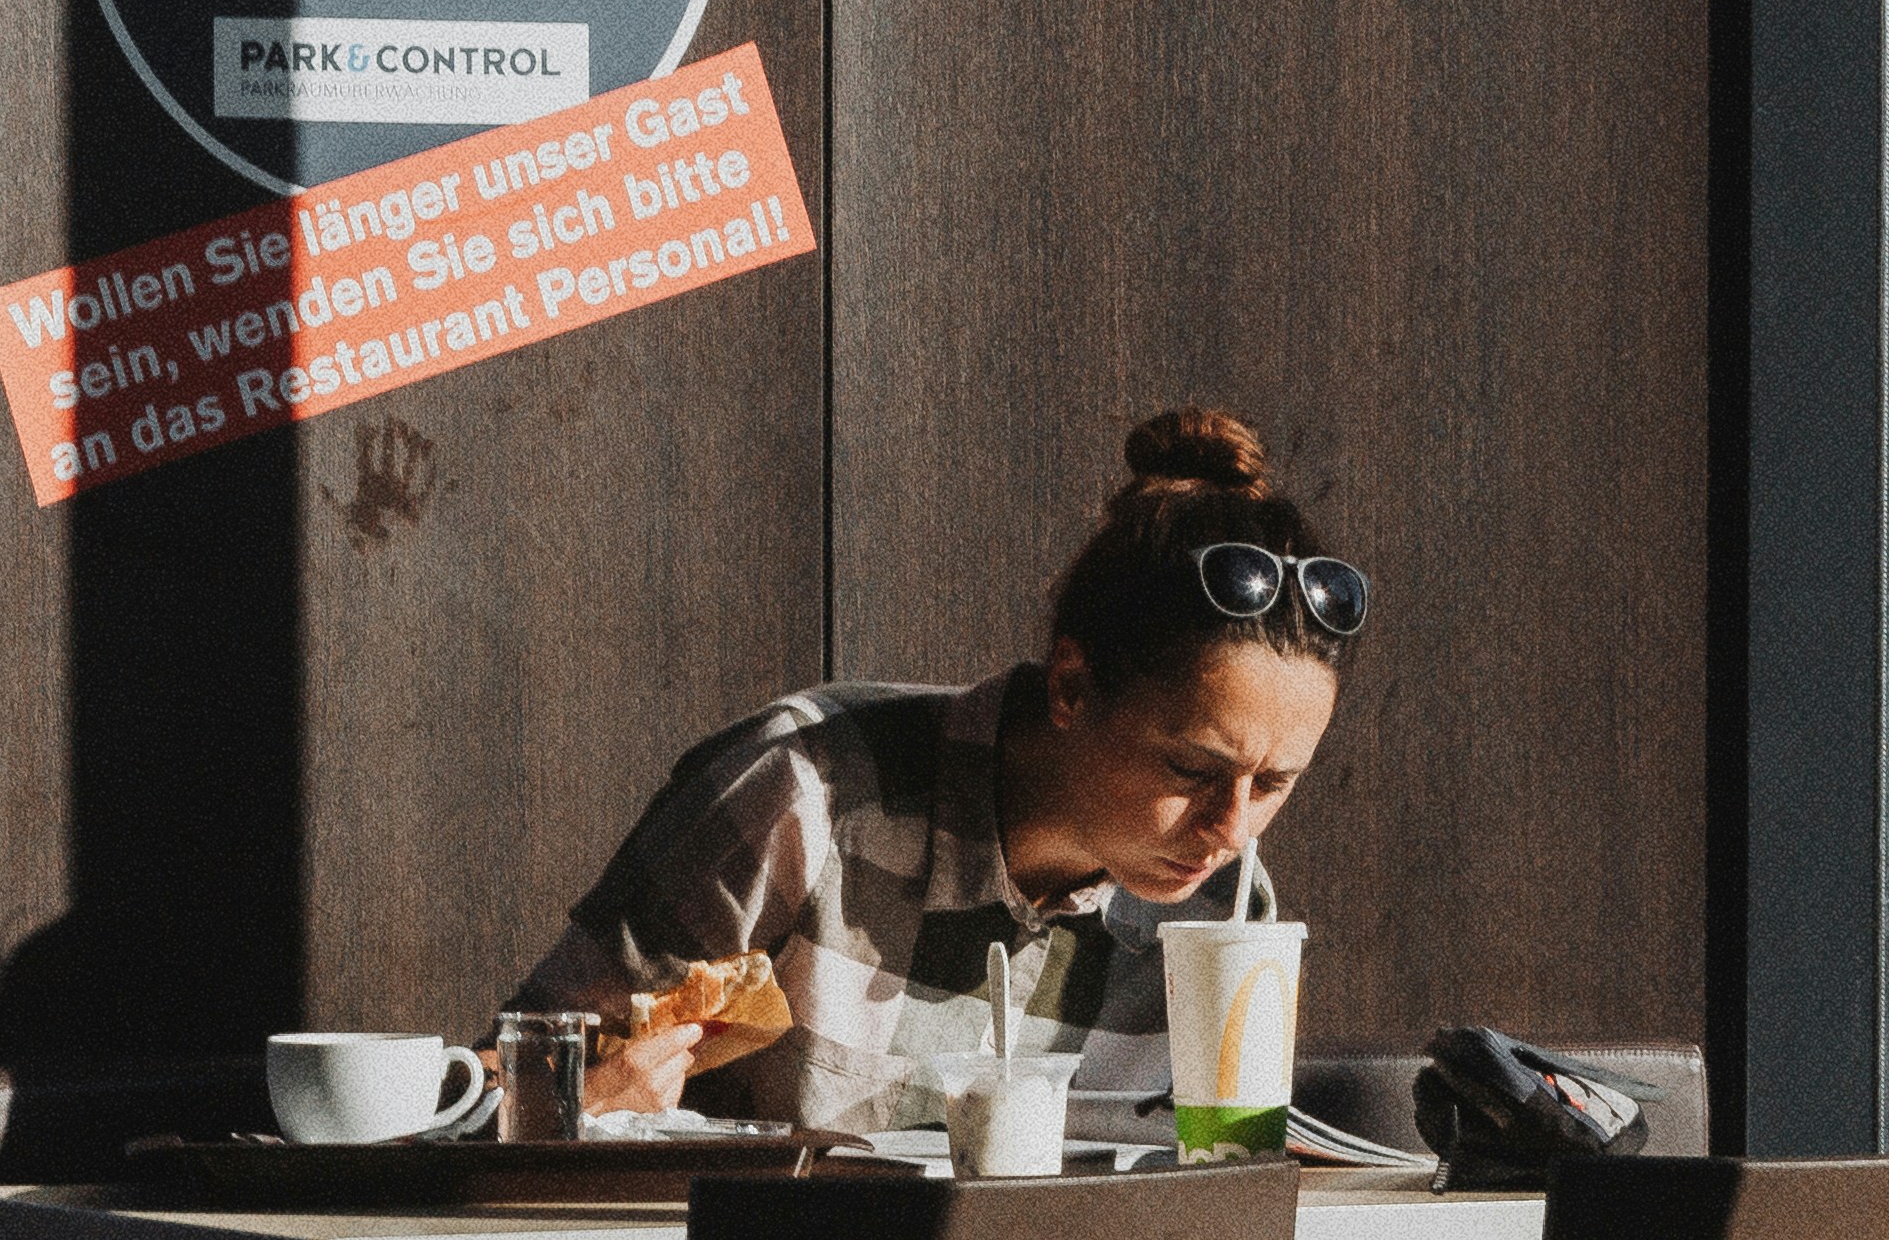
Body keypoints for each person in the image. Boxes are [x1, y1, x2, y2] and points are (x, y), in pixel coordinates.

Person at [510, 404, 1364, 1131]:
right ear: (1071, 685)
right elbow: (502, 1081)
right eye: (1191, 769)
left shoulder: (1228, 910)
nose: (1231, 828)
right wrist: (568, 1105)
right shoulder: (807, 795)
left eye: (1273, 784)